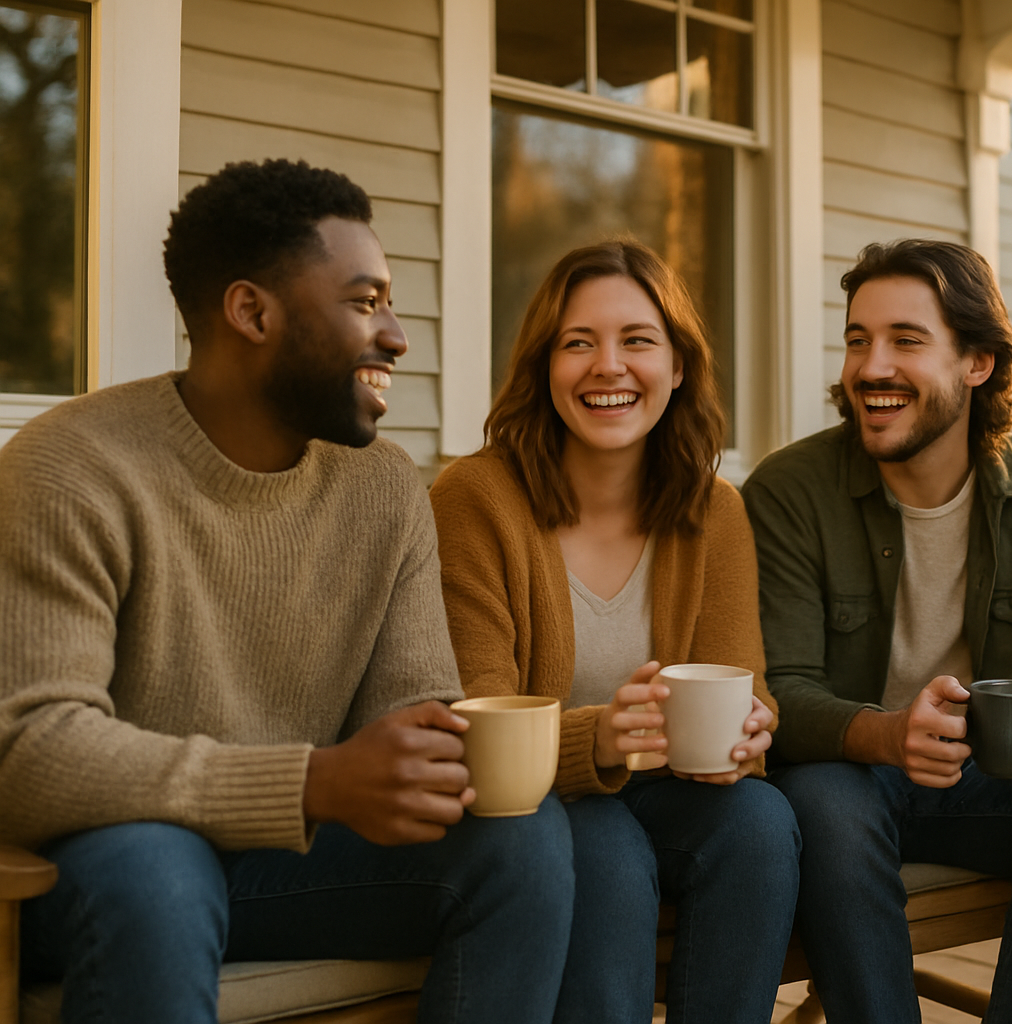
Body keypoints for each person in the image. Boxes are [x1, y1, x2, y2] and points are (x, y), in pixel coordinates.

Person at [0, 159, 574, 1024]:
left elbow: (409, 716)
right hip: (99, 867)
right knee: (161, 868)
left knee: (522, 842)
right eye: (363, 301)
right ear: (251, 312)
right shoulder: (74, 468)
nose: (396, 336)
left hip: (285, 864)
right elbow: (32, 752)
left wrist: (435, 756)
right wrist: (311, 782)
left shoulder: (382, 488)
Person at [741, 238, 1012, 1024]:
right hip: (845, 781)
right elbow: (779, 689)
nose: (871, 366)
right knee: (821, 799)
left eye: (905, 340)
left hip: (982, 782)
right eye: (858, 340)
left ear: (978, 363)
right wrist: (890, 736)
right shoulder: (789, 491)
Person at [429, 239, 800, 1024]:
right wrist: (601, 739)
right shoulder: (475, 499)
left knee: (762, 824)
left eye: (637, 340)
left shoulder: (715, 510)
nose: (609, 366)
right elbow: (478, 717)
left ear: (678, 367)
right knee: (605, 852)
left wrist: (747, 737)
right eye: (578, 343)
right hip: (533, 808)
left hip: (672, 793)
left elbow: (745, 684)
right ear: (543, 369)